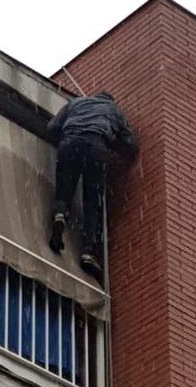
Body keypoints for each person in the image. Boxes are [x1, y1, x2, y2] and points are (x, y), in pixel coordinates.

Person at [47, 91, 138, 278]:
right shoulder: (114, 111)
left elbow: (52, 126)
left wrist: (67, 137)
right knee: (92, 203)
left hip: (69, 142)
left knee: (64, 189)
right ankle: (89, 252)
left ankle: (59, 216)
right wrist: (113, 149)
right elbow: (130, 144)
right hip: (96, 146)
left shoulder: (75, 103)